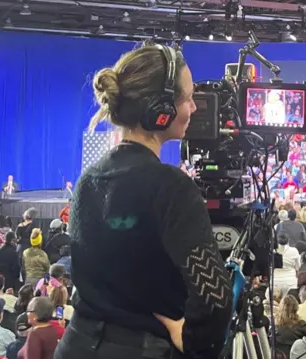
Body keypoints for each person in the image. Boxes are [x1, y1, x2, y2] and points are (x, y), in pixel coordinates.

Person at [53, 43, 232, 359]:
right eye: (188, 98)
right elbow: (215, 298)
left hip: (75, 345)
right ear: (161, 110)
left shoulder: (87, 181)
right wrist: (191, 339)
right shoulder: (171, 187)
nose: (195, 107)